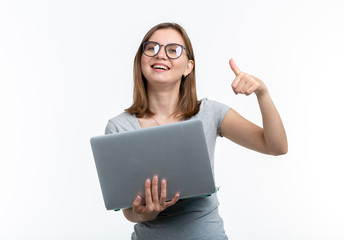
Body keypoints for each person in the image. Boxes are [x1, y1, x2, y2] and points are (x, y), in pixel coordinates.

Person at [105, 22, 287, 240]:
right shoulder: (119, 127)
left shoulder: (210, 113)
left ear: (188, 67)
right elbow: (129, 212)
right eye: (151, 48)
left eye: (173, 50)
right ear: (141, 60)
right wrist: (147, 213)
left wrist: (263, 93)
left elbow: (276, 146)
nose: (160, 55)